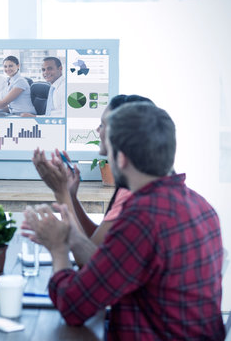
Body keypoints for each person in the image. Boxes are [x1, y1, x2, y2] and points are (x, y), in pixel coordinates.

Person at [22, 103, 225, 340]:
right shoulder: (202, 206)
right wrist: (73, 238)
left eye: (108, 152)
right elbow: (107, 268)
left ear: (121, 158)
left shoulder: (142, 219)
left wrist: (58, 249)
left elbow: (72, 306)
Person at [33, 95, 154, 266]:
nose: (98, 130)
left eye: (102, 125)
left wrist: (61, 193)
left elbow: (91, 266)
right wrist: (71, 197)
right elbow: (95, 244)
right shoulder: (131, 186)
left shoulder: (134, 197)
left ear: (120, 134)